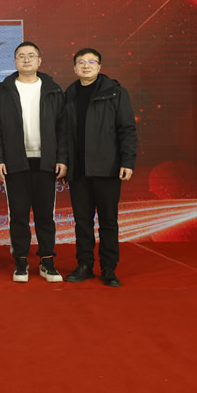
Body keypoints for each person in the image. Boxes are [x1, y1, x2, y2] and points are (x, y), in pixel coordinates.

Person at [0, 41, 67, 283]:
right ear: (15, 62)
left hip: (46, 162)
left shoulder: (53, 90)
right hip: (15, 163)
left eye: (31, 56)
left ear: (39, 60)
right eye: (21, 56)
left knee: (45, 215)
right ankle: (20, 261)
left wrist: (62, 158)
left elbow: (63, 128)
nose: (26, 59)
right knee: (18, 215)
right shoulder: (3, 92)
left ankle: (47, 261)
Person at [63, 48, 137, 287]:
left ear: (100, 67)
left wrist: (127, 161)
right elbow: (63, 133)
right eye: (81, 62)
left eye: (91, 62)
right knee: (82, 221)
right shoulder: (70, 93)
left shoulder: (115, 92)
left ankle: (108, 268)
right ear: (74, 68)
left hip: (107, 167)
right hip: (78, 169)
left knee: (108, 221)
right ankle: (84, 265)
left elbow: (127, 129)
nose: (86, 66)